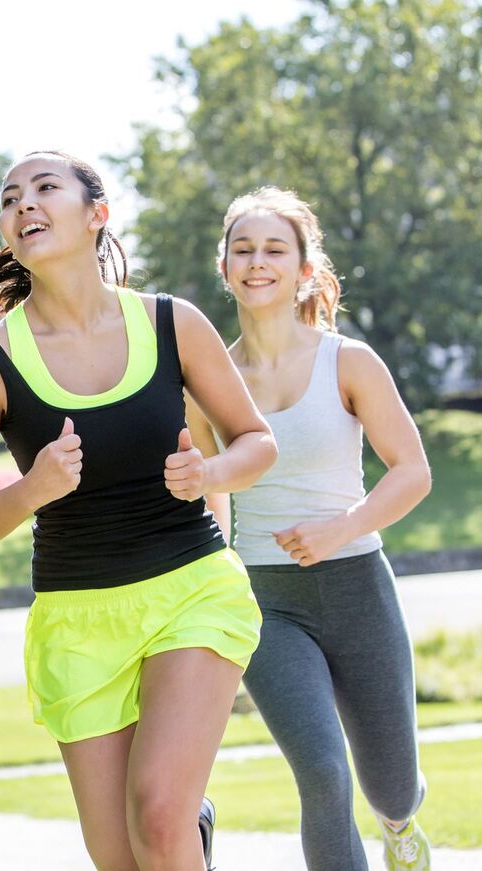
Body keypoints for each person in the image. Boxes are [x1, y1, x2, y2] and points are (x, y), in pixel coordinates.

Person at [0, 151, 278, 871]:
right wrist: (31, 490)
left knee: (156, 815)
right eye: (10, 197)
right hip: (77, 617)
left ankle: (182, 825)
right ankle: (194, 834)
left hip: (190, 587)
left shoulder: (170, 324)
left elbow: (257, 442)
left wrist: (208, 472)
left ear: (97, 214)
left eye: (44, 187)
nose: (24, 203)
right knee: (122, 855)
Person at [186, 186, 432, 871]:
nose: (257, 261)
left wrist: (340, 528)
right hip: (269, 604)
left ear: (303, 268)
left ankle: (401, 823)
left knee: (390, 782)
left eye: (274, 249)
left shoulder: (347, 361)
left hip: (358, 585)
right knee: (323, 774)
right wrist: (219, 582)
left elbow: (413, 470)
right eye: (243, 248)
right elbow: (216, 493)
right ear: (225, 265)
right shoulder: (207, 381)